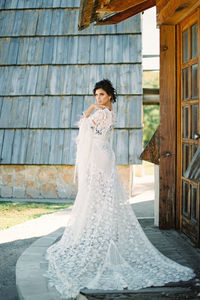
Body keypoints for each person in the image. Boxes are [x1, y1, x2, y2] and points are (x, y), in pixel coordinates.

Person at [44, 79, 195, 299]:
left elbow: (86, 126)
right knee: (98, 199)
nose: (98, 99)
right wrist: (91, 112)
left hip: (100, 158)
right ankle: (101, 236)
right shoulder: (105, 112)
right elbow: (85, 127)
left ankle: (105, 240)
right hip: (100, 155)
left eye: (102, 95)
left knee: (100, 197)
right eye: (96, 95)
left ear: (110, 96)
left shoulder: (104, 114)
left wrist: (91, 110)